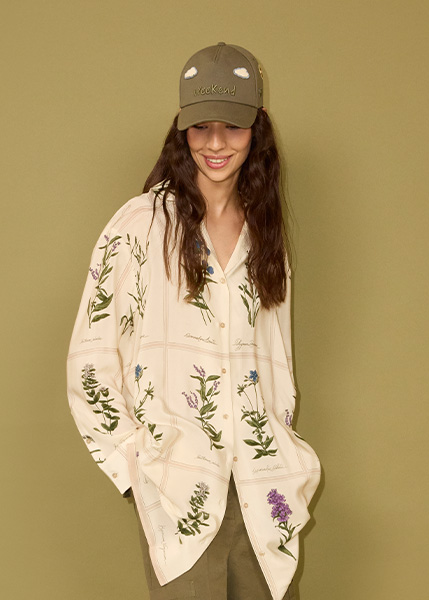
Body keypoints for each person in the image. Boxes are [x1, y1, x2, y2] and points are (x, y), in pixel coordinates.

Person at [67, 42, 321, 600]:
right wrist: (136, 469)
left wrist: (283, 447)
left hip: (264, 491)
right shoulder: (139, 226)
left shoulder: (265, 235)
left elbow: (277, 364)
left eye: (232, 126)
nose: (215, 143)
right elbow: (90, 360)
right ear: (181, 129)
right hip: (179, 493)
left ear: (257, 126)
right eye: (201, 126)